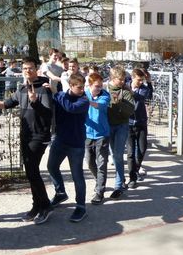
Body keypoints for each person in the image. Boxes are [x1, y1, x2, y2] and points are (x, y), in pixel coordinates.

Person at [0, 57, 54, 225]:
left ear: (36, 69)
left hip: (39, 136)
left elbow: (48, 114)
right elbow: (5, 104)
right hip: (26, 135)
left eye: (30, 68)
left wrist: (35, 102)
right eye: (25, 68)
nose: (27, 71)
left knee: (33, 171)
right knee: (30, 172)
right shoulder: (23, 89)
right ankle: (37, 205)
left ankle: (45, 206)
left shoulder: (44, 88)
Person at [47, 74, 90, 222]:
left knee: (77, 176)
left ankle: (81, 207)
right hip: (60, 140)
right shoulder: (62, 96)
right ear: (71, 86)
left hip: (76, 144)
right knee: (51, 166)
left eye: (83, 87)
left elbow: (70, 108)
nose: (82, 90)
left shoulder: (84, 100)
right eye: (79, 87)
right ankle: (60, 193)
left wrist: (55, 92)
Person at [106, 65, 135, 199]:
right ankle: (119, 178)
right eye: (120, 79)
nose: (123, 82)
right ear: (112, 78)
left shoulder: (125, 92)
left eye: (124, 79)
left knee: (118, 154)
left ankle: (118, 185)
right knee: (112, 155)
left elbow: (130, 110)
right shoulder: (105, 89)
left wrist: (119, 103)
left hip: (121, 126)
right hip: (107, 126)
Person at [85, 72, 111, 205]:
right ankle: (98, 180)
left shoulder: (105, 95)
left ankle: (100, 191)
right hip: (87, 134)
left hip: (102, 134)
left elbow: (98, 105)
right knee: (89, 162)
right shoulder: (84, 94)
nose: (100, 88)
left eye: (101, 86)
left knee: (101, 163)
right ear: (89, 85)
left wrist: (86, 101)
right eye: (97, 86)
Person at [126, 68, 153, 188]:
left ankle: (136, 169)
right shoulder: (125, 86)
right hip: (128, 123)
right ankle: (132, 178)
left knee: (142, 149)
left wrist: (149, 82)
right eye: (138, 80)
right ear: (132, 78)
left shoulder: (144, 89)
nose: (141, 82)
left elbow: (141, 97)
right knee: (130, 152)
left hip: (141, 123)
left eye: (142, 80)